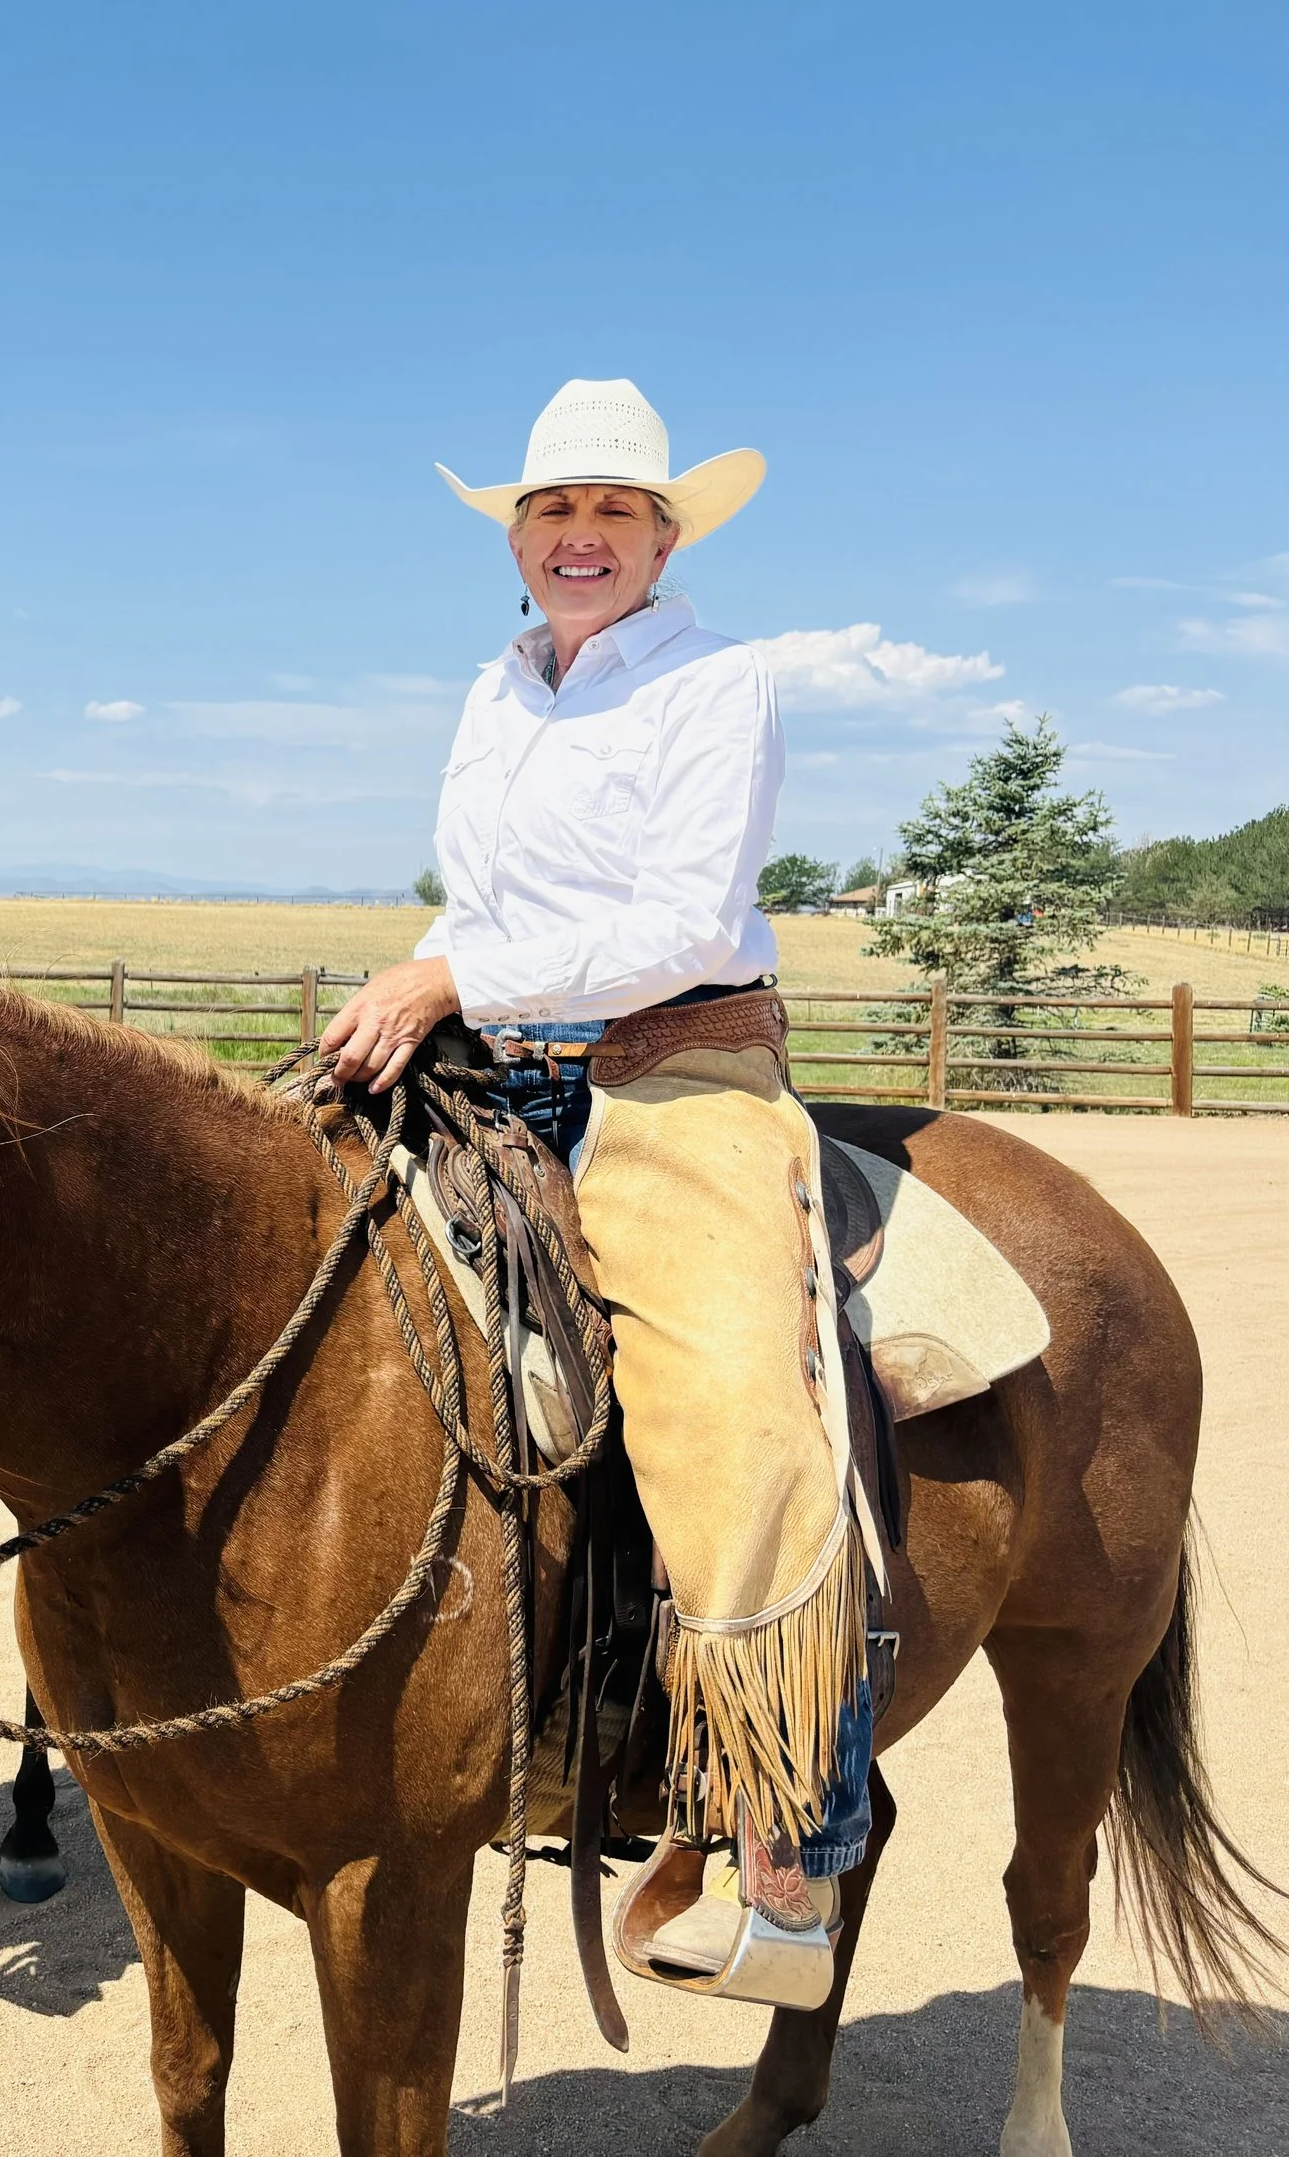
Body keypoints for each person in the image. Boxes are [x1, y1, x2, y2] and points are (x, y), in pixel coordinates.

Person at [321, 379, 872, 1989]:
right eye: (553, 513)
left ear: (666, 533)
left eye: (615, 513)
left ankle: (790, 1848)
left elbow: (691, 923)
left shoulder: (717, 682)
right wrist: (420, 983)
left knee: (728, 1404)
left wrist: (455, 977)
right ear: (515, 537)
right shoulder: (495, 690)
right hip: (491, 1050)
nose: (582, 537)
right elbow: (475, 896)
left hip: (669, 1062)